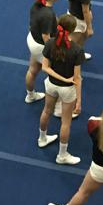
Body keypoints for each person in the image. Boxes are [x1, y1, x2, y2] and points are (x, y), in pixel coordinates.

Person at [36, 15, 84, 165]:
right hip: (67, 90)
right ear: (72, 30)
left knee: (46, 111)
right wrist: (79, 100)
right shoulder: (76, 50)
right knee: (66, 122)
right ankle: (62, 155)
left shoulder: (50, 43)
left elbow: (45, 67)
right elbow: (77, 78)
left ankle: (42, 138)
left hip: (51, 85)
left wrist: (59, 78)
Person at [24, 0, 59, 103]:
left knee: (32, 70)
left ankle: (30, 95)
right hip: (40, 45)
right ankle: (56, 103)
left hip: (32, 39)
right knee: (55, 73)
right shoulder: (47, 14)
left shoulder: (37, 4)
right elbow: (45, 36)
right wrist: (53, 52)